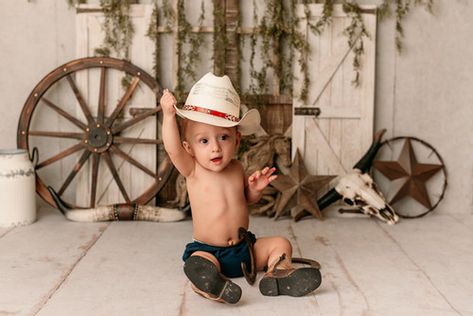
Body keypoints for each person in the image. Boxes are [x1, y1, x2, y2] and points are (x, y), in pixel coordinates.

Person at [160, 72, 321, 304]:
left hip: (245, 251)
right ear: (189, 147)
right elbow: (172, 149)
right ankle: (211, 282)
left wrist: (255, 189)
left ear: (237, 140)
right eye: (204, 141)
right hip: (210, 250)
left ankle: (278, 274)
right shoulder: (193, 169)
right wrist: (168, 115)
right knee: (200, 259)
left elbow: (246, 201)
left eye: (223, 137)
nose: (215, 148)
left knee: (281, 244)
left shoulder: (236, 168)